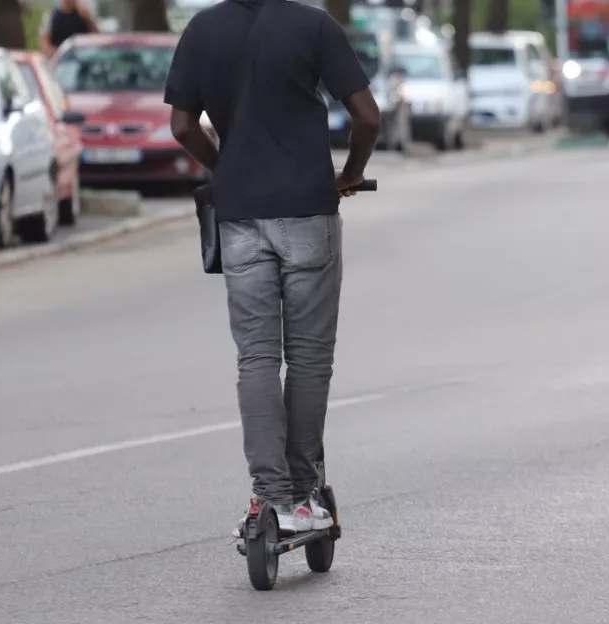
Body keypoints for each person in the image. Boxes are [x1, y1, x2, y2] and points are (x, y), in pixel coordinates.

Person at [164, 0, 380, 535]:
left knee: (256, 357)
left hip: (238, 217)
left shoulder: (201, 28)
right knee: (307, 359)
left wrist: (228, 166)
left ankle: (270, 497)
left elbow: (183, 125)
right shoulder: (314, 25)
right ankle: (304, 495)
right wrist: (350, 172)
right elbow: (368, 116)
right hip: (308, 210)